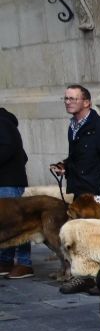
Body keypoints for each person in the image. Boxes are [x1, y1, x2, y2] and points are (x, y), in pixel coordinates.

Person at [51, 85, 100, 200]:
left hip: (97, 196)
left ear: (86, 102)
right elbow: (80, 156)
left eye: (72, 99)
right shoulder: (73, 126)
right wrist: (65, 166)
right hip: (79, 194)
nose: (68, 102)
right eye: (66, 98)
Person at [0, 106, 29, 279]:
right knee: (5, 224)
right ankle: (5, 260)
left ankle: (25, 262)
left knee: (18, 224)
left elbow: (8, 149)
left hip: (8, 182)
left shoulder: (3, 122)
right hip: (6, 181)